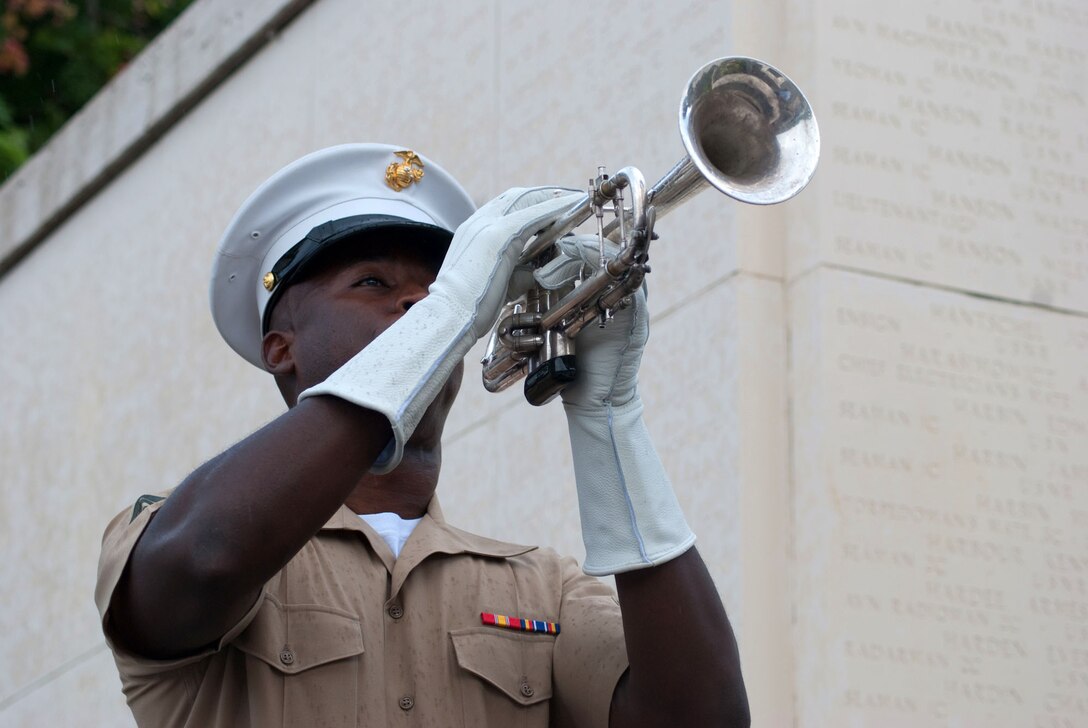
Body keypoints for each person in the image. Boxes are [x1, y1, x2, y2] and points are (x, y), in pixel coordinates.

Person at [95, 143, 750, 727]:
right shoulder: (185, 529)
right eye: (374, 283)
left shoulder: (544, 587)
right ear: (280, 349)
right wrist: (448, 310)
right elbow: (204, 559)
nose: (417, 304)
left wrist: (610, 415)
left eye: (435, 288)